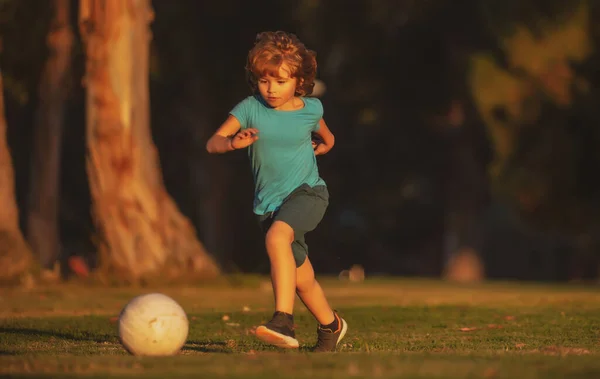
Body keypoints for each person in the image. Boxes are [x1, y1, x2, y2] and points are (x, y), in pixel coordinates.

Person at [206, 31, 347, 352]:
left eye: (280, 82)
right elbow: (212, 142)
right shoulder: (248, 108)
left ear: (298, 81)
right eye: (265, 81)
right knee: (301, 279)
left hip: (308, 193)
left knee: (276, 238)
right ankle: (331, 326)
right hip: (269, 207)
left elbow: (329, 138)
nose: (271, 89)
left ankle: (283, 320)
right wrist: (232, 142)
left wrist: (321, 148)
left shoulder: (311, 109)